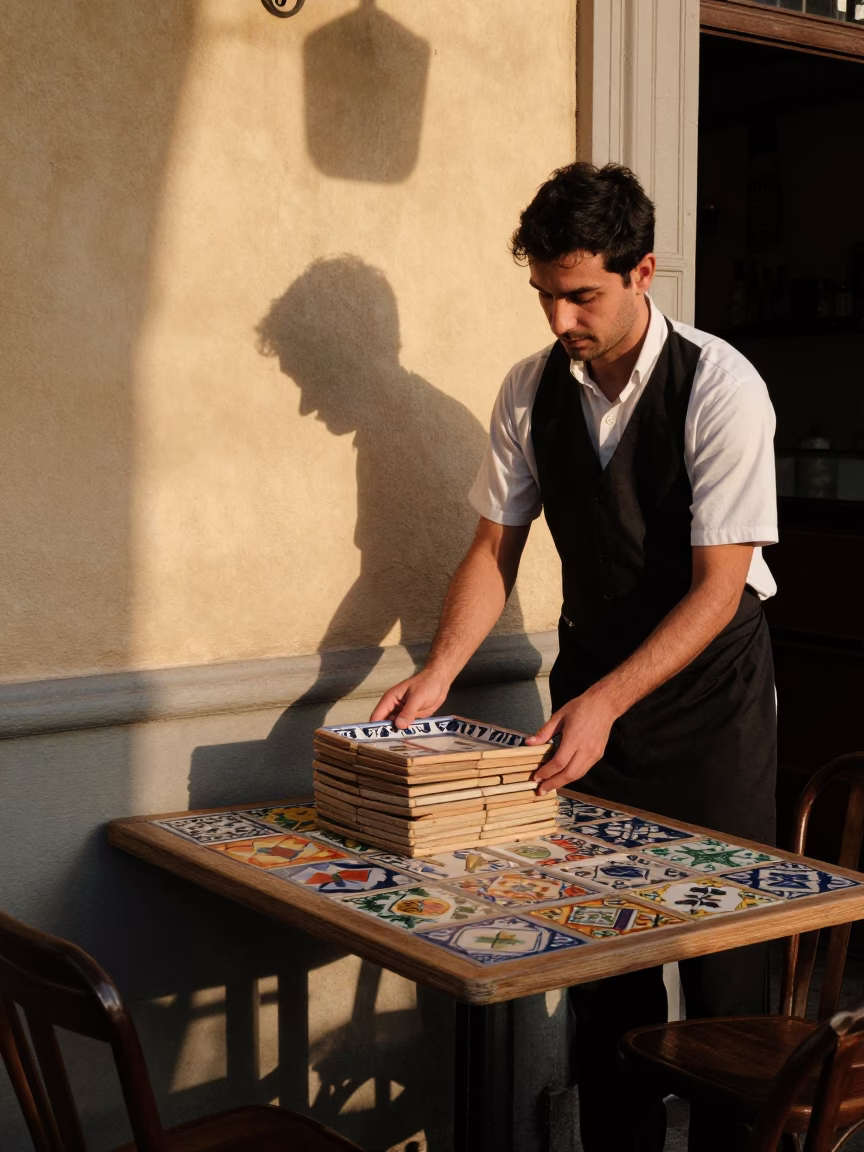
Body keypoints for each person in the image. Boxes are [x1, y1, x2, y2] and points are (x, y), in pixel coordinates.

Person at [370, 162, 778, 1152]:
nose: (559, 319)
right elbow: (490, 550)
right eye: (546, 295)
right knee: (604, 971)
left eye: (581, 294)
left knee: (725, 983)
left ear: (643, 272)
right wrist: (439, 671)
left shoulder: (721, 387)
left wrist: (605, 701)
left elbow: (718, 588)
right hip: (589, 696)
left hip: (711, 705)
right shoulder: (528, 389)